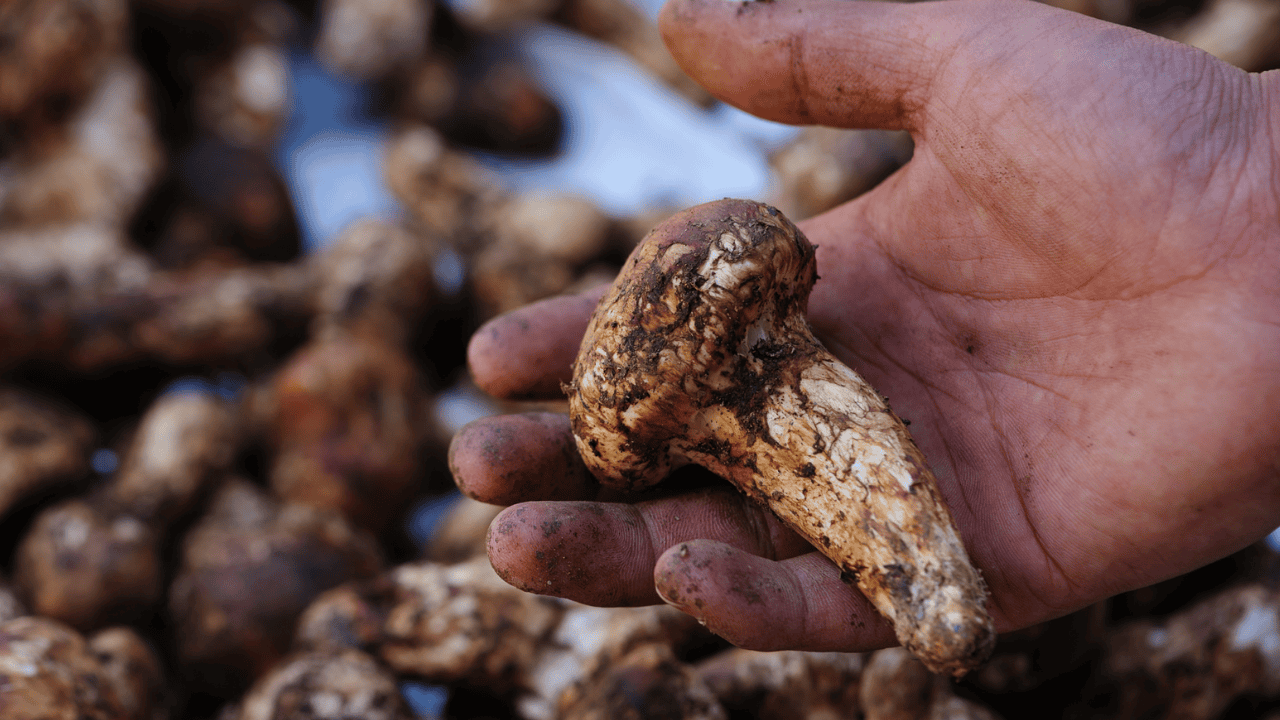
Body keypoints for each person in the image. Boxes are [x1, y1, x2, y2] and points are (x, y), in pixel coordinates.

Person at [450, 0, 1280, 653]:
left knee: (928, 597)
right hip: (687, 388)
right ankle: (937, 604)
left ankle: (937, 602)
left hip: (742, 338)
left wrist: (1244, 171)